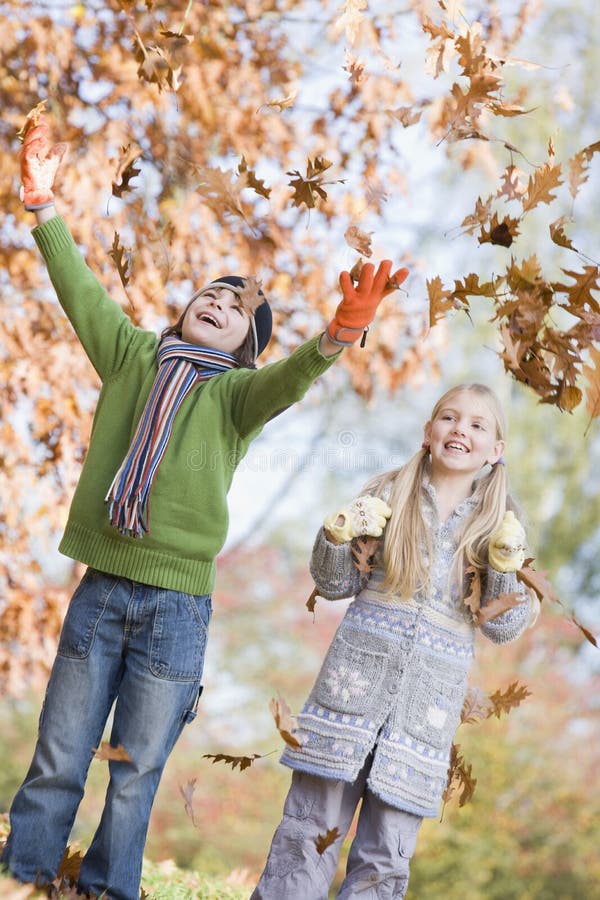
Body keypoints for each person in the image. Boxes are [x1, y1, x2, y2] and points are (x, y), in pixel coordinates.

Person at [0, 115, 409, 900]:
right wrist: (44, 207)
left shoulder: (235, 400)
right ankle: (24, 877)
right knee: (60, 753)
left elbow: (287, 380)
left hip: (177, 611)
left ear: (243, 349)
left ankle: (107, 889)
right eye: (213, 292)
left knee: (137, 770)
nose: (222, 300)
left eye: (238, 307)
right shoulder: (129, 357)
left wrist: (336, 335)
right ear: (185, 308)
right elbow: (79, 290)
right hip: (102, 589)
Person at [252, 382, 537, 899]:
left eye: (478, 425)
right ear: (429, 432)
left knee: (384, 862)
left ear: (496, 450)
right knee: (306, 837)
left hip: (421, 722)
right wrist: (335, 536)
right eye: (449, 418)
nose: (460, 430)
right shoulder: (388, 493)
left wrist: (503, 570)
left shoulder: (500, 525)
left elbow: (504, 626)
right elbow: (336, 584)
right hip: (347, 702)